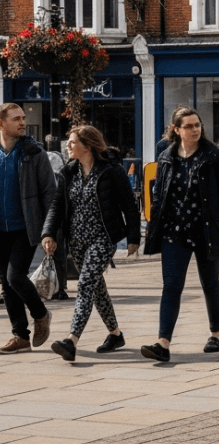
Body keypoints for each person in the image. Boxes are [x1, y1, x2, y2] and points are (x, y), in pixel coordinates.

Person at [141, 107, 219, 362]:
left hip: (206, 230)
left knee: (210, 284)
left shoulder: (213, 156)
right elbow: (158, 195)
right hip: (174, 233)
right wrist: (152, 228)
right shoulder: (166, 157)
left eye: (197, 125)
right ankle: (163, 343)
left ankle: (216, 334)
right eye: (189, 126)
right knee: (171, 287)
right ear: (176, 129)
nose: (195, 129)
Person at [40, 126, 140, 361]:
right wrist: (49, 234)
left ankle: (71, 340)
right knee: (97, 289)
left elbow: (129, 205)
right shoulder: (68, 172)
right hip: (76, 240)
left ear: (88, 145)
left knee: (85, 285)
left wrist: (134, 238)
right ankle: (115, 334)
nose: (68, 145)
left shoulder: (112, 170)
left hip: (102, 239)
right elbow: (57, 206)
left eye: (72, 142)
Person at [0, 104, 56, 354]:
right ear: (1, 124)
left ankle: (41, 314)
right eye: (16, 119)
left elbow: (50, 194)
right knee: (5, 281)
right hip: (0, 228)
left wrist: (50, 230)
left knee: (15, 276)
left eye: (23, 118)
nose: (22, 122)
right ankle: (20, 336)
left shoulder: (34, 153)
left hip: (25, 226)